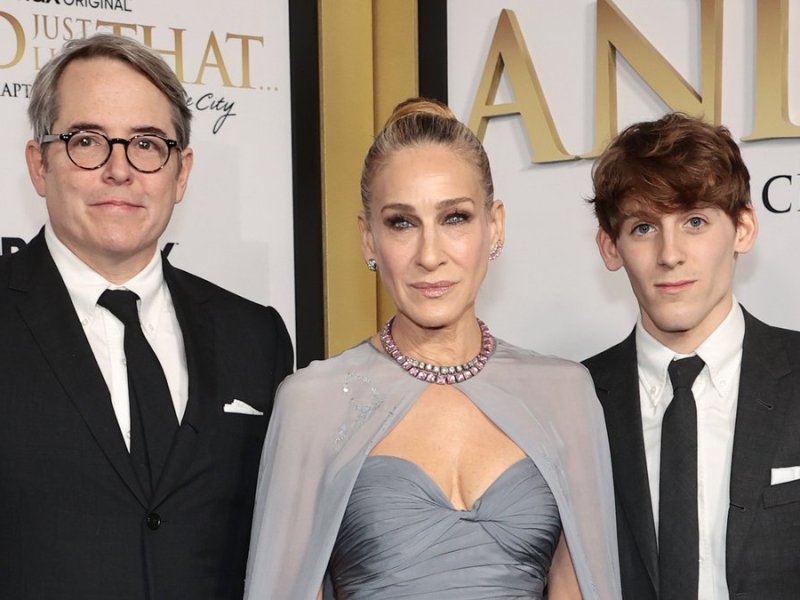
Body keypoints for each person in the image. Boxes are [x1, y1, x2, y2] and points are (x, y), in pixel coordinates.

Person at [244, 97, 621, 599]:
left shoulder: (565, 394)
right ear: (368, 239)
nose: (429, 255)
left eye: (455, 218)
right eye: (402, 222)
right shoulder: (313, 401)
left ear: (496, 226)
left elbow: (582, 586)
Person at [0, 34, 293, 600]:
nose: (120, 170)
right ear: (40, 166)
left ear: (180, 173)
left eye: (147, 144)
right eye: (87, 141)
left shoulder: (256, 336)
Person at [583, 113, 800, 600]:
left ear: (743, 228)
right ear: (610, 246)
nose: (670, 253)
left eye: (695, 221)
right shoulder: (573, 401)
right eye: (643, 227)